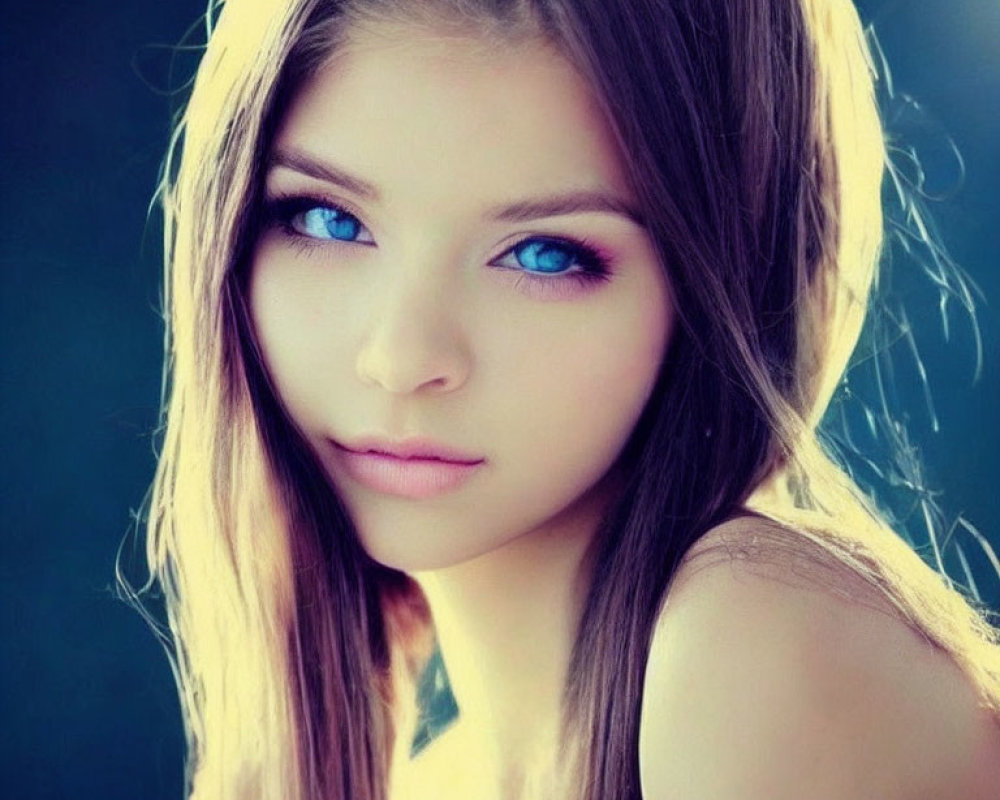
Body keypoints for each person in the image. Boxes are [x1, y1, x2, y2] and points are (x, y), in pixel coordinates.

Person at [135, 0, 1000, 797]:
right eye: (328, 220)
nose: (401, 359)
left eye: (544, 255)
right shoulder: (434, 782)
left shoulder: (764, 649)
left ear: (718, 284)